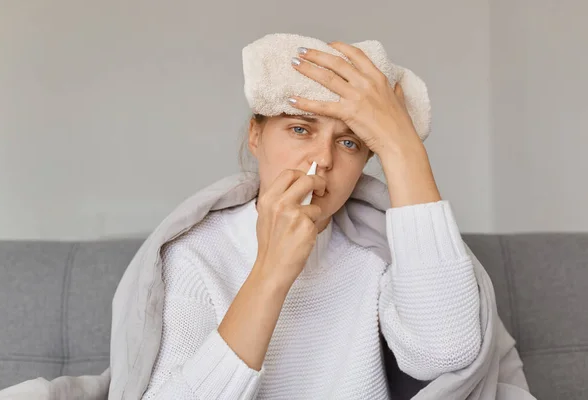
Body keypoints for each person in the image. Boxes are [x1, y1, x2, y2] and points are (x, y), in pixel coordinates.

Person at [140, 42, 480, 398]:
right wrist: (271, 270)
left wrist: (402, 145)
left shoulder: (377, 252)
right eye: (301, 129)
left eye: (349, 143)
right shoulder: (195, 253)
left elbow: (444, 354)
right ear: (256, 136)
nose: (324, 158)